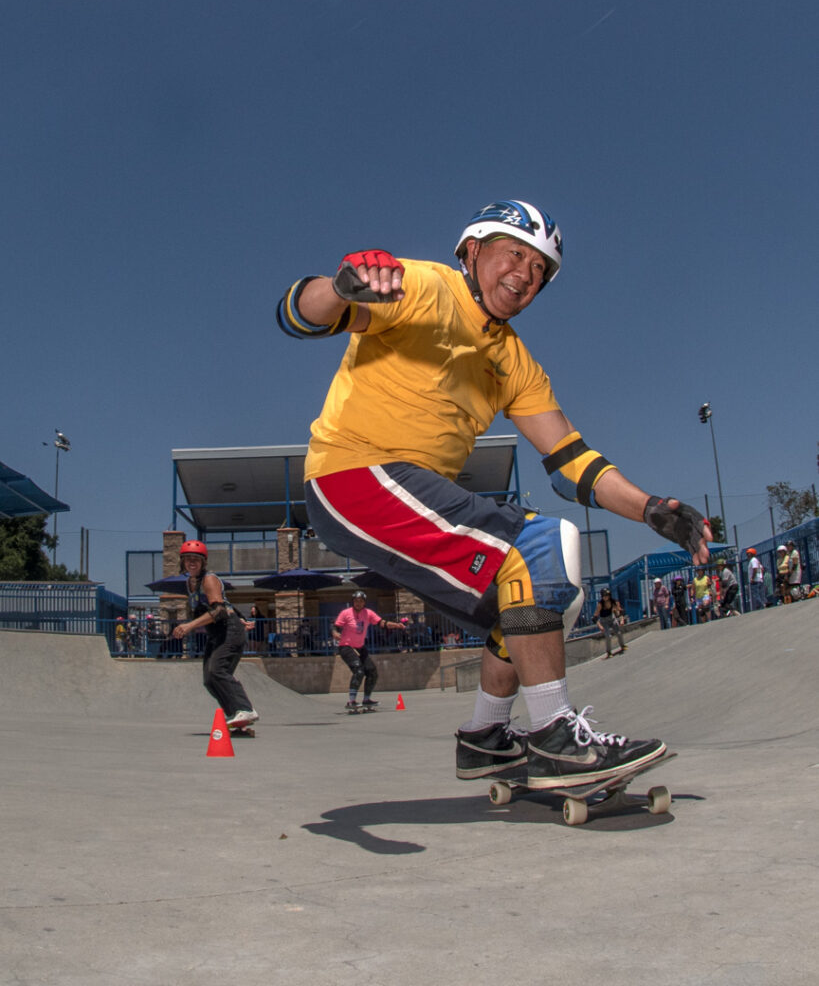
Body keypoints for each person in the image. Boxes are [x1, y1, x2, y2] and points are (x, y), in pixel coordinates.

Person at [279, 198, 711, 787]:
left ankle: (486, 736)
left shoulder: (514, 361)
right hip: (354, 475)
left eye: (540, 271)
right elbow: (302, 314)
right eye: (516, 255)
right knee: (538, 549)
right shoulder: (427, 287)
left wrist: (651, 508)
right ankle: (556, 735)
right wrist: (342, 285)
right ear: (473, 250)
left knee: (549, 597)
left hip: (406, 490)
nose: (526, 276)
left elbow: (571, 461)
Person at [171, 540, 258, 728]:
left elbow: (219, 610)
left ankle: (245, 709)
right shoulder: (190, 583)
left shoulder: (208, 579)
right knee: (209, 680)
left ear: (203, 562)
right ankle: (236, 716)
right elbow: (225, 602)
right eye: (188, 560)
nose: (192, 563)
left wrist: (189, 626)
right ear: (182, 562)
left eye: (196, 559)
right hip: (216, 633)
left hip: (229, 631)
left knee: (218, 671)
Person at [332, 591, 404, 710]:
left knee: (372, 672)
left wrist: (396, 625)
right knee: (359, 671)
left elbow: (382, 623)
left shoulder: (368, 613)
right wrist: (335, 633)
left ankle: (366, 699)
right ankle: (352, 701)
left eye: (360, 601)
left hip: (360, 647)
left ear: (364, 602)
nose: (358, 603)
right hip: (346, 647)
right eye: (356, 601)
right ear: (353, 602)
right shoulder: (346, 613)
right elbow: (336, 626)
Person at [593, 588, 626, 658]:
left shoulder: (613, 602)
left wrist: (622, 620)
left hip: (612, 618)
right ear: (602, 596)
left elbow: (620, 611)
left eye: (607, 595)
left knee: (619, 633)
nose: (606, 597)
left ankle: (622, 645)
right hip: (604, 621)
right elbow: (595, 617)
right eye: (604, 596)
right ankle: (609, 652)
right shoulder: (600, 604)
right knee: (608, 636)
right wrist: (600, 626)